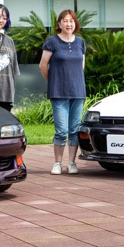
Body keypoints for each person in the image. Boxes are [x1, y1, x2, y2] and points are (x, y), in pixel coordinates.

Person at [39, 9, 86, 175]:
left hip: (78, 92)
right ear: (59, 23)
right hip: (58, 92)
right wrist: (53, 82)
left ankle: (71, 163)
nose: (68, 24)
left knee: (74, 130)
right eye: (65, 21)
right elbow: (42, 65)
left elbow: (81, 67)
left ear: (75, 24)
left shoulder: (80, 42)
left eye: (71, 21)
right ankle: (57, 163)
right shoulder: (52, 42)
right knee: (61, 131)